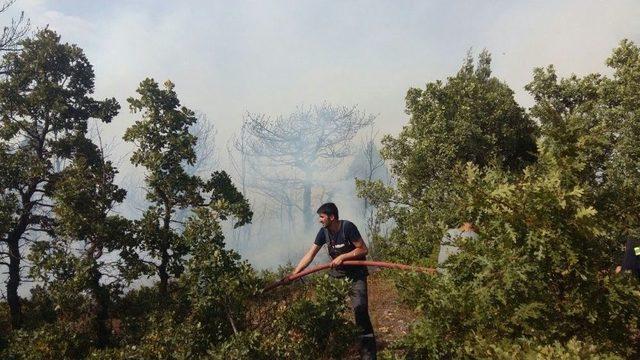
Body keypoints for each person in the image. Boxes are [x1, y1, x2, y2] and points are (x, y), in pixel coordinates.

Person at [292, 202, 376, 360]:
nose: (320, 220)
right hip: (336, 276)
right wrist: (294, 274)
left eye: (322, 217)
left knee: (360, 311)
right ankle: (320, 350)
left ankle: (368, 354)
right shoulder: (323, 233)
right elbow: (310, 255)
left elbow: (363, 249)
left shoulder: (348, 227)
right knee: (326, 309)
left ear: (332, 217)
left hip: (356, 276)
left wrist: (343, 256)